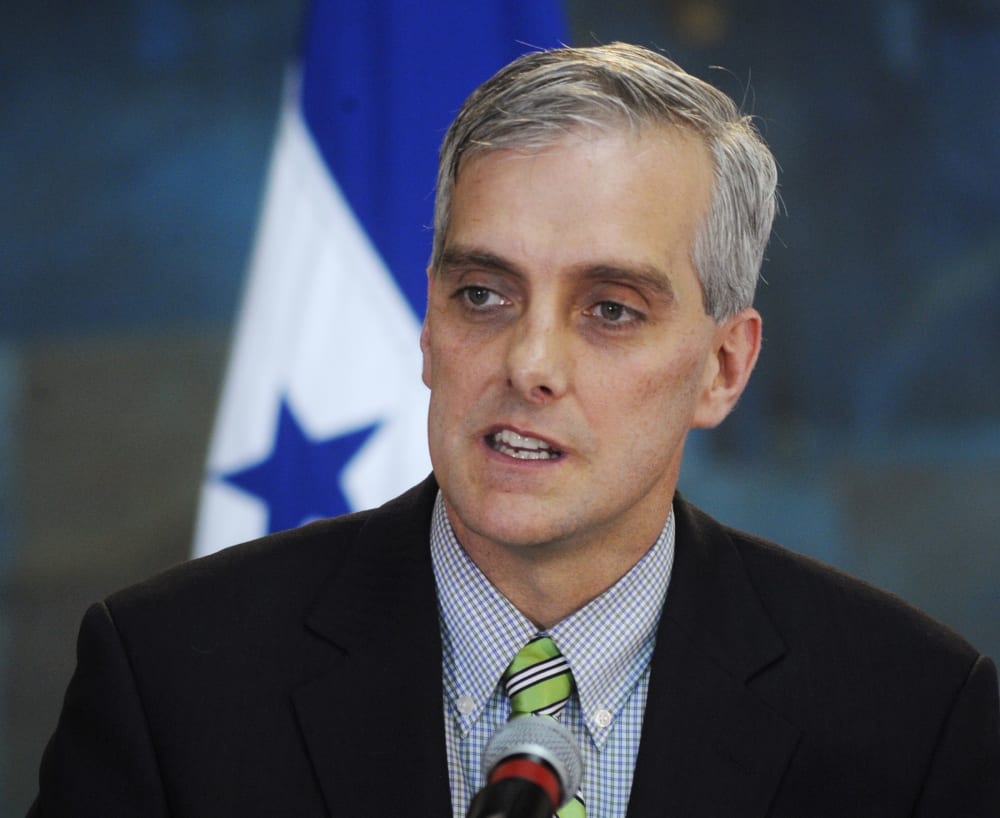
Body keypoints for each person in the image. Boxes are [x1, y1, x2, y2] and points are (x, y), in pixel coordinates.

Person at [30, 43, 999, 818]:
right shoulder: (171, 676)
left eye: (610, 308)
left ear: (723, 366)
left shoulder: (910, 714)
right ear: (428, 326)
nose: (528, 361)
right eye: (482, 293)